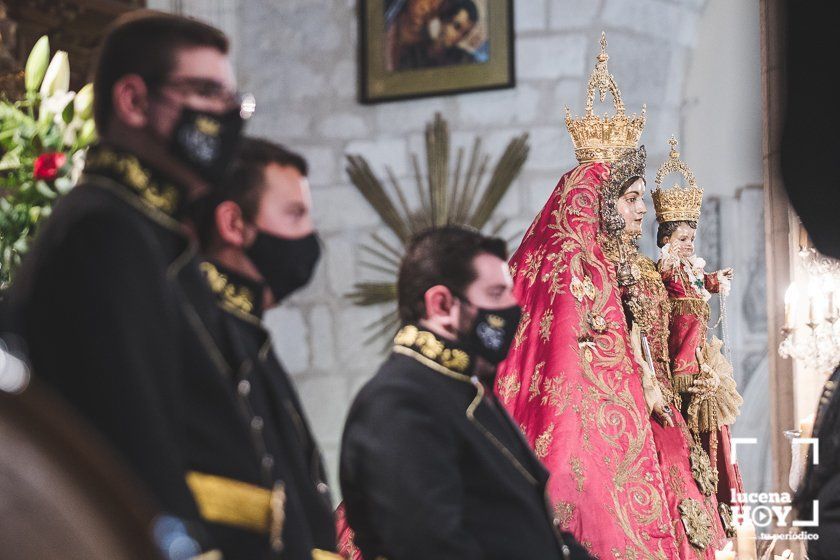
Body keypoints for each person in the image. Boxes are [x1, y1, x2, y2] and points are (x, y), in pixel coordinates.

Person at [0, 11, 298, 559]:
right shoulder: (101, 232)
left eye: (233, 99)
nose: (228, 117)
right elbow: (131, 452)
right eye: (206, 93)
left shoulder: (158, 238)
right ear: (133, 102)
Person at [495, 34, 725, 559]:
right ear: (601, 204)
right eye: (630, 199)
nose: (642, 211)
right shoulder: (581, 272)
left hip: (661, 424)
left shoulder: (643, 269)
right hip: (613, 429)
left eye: (643, 199)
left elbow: (670, 348)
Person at [339, 226, 591, 560]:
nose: (513, 308)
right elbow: (432, 547)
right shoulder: (399, 403)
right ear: (441, 304)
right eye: (496, 294)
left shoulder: (464, 389)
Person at [194, 137, 339, 559]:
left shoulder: (245, 330)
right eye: (294, 214)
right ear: (233, 224)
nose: (308, 236)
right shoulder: (203, 330)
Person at [652, 137, 744, 516]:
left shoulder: (688, 269)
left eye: (692, 238)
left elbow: (696, 284)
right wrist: (672, 262)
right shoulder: (667, 268)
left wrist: (714, 279)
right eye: (683, 238)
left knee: (715, 433)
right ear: (667, 239)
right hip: (681, 367)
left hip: (701, 361)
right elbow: (669, 284)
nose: (690, 244)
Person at [389, 0, 479, 70]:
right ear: (445, 20)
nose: (459, 37)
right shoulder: (413, 53)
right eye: (456, 26)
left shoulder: (464, 60)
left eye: (465, 33)